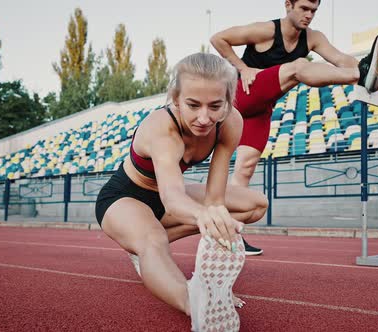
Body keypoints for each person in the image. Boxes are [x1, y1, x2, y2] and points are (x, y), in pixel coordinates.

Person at [95, 52, 268, 332]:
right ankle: (195, 305)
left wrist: (218, 281)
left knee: (255, 204)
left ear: (227, 101)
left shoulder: (230, 122)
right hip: (125, 198)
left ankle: (162, 259)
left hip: (167, 203)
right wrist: (210, 300)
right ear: (176, 99)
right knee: (152, 240)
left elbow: (215, 198)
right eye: (193, 105)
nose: (204, 117)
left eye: (215, 106)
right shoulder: (162, 128)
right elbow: (173, 198)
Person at [211, 0, 378, 254]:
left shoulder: (313, 38)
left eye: (314, 11)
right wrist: (242, 67)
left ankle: (230, 235)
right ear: (288, 5)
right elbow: (218, 38)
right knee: (299, 67)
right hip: (242, 95)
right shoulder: (266, 31)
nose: (309, 15)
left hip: (262, 109)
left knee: (245, 169)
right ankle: (362, 77)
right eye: (304, 9)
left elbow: (341, 58)